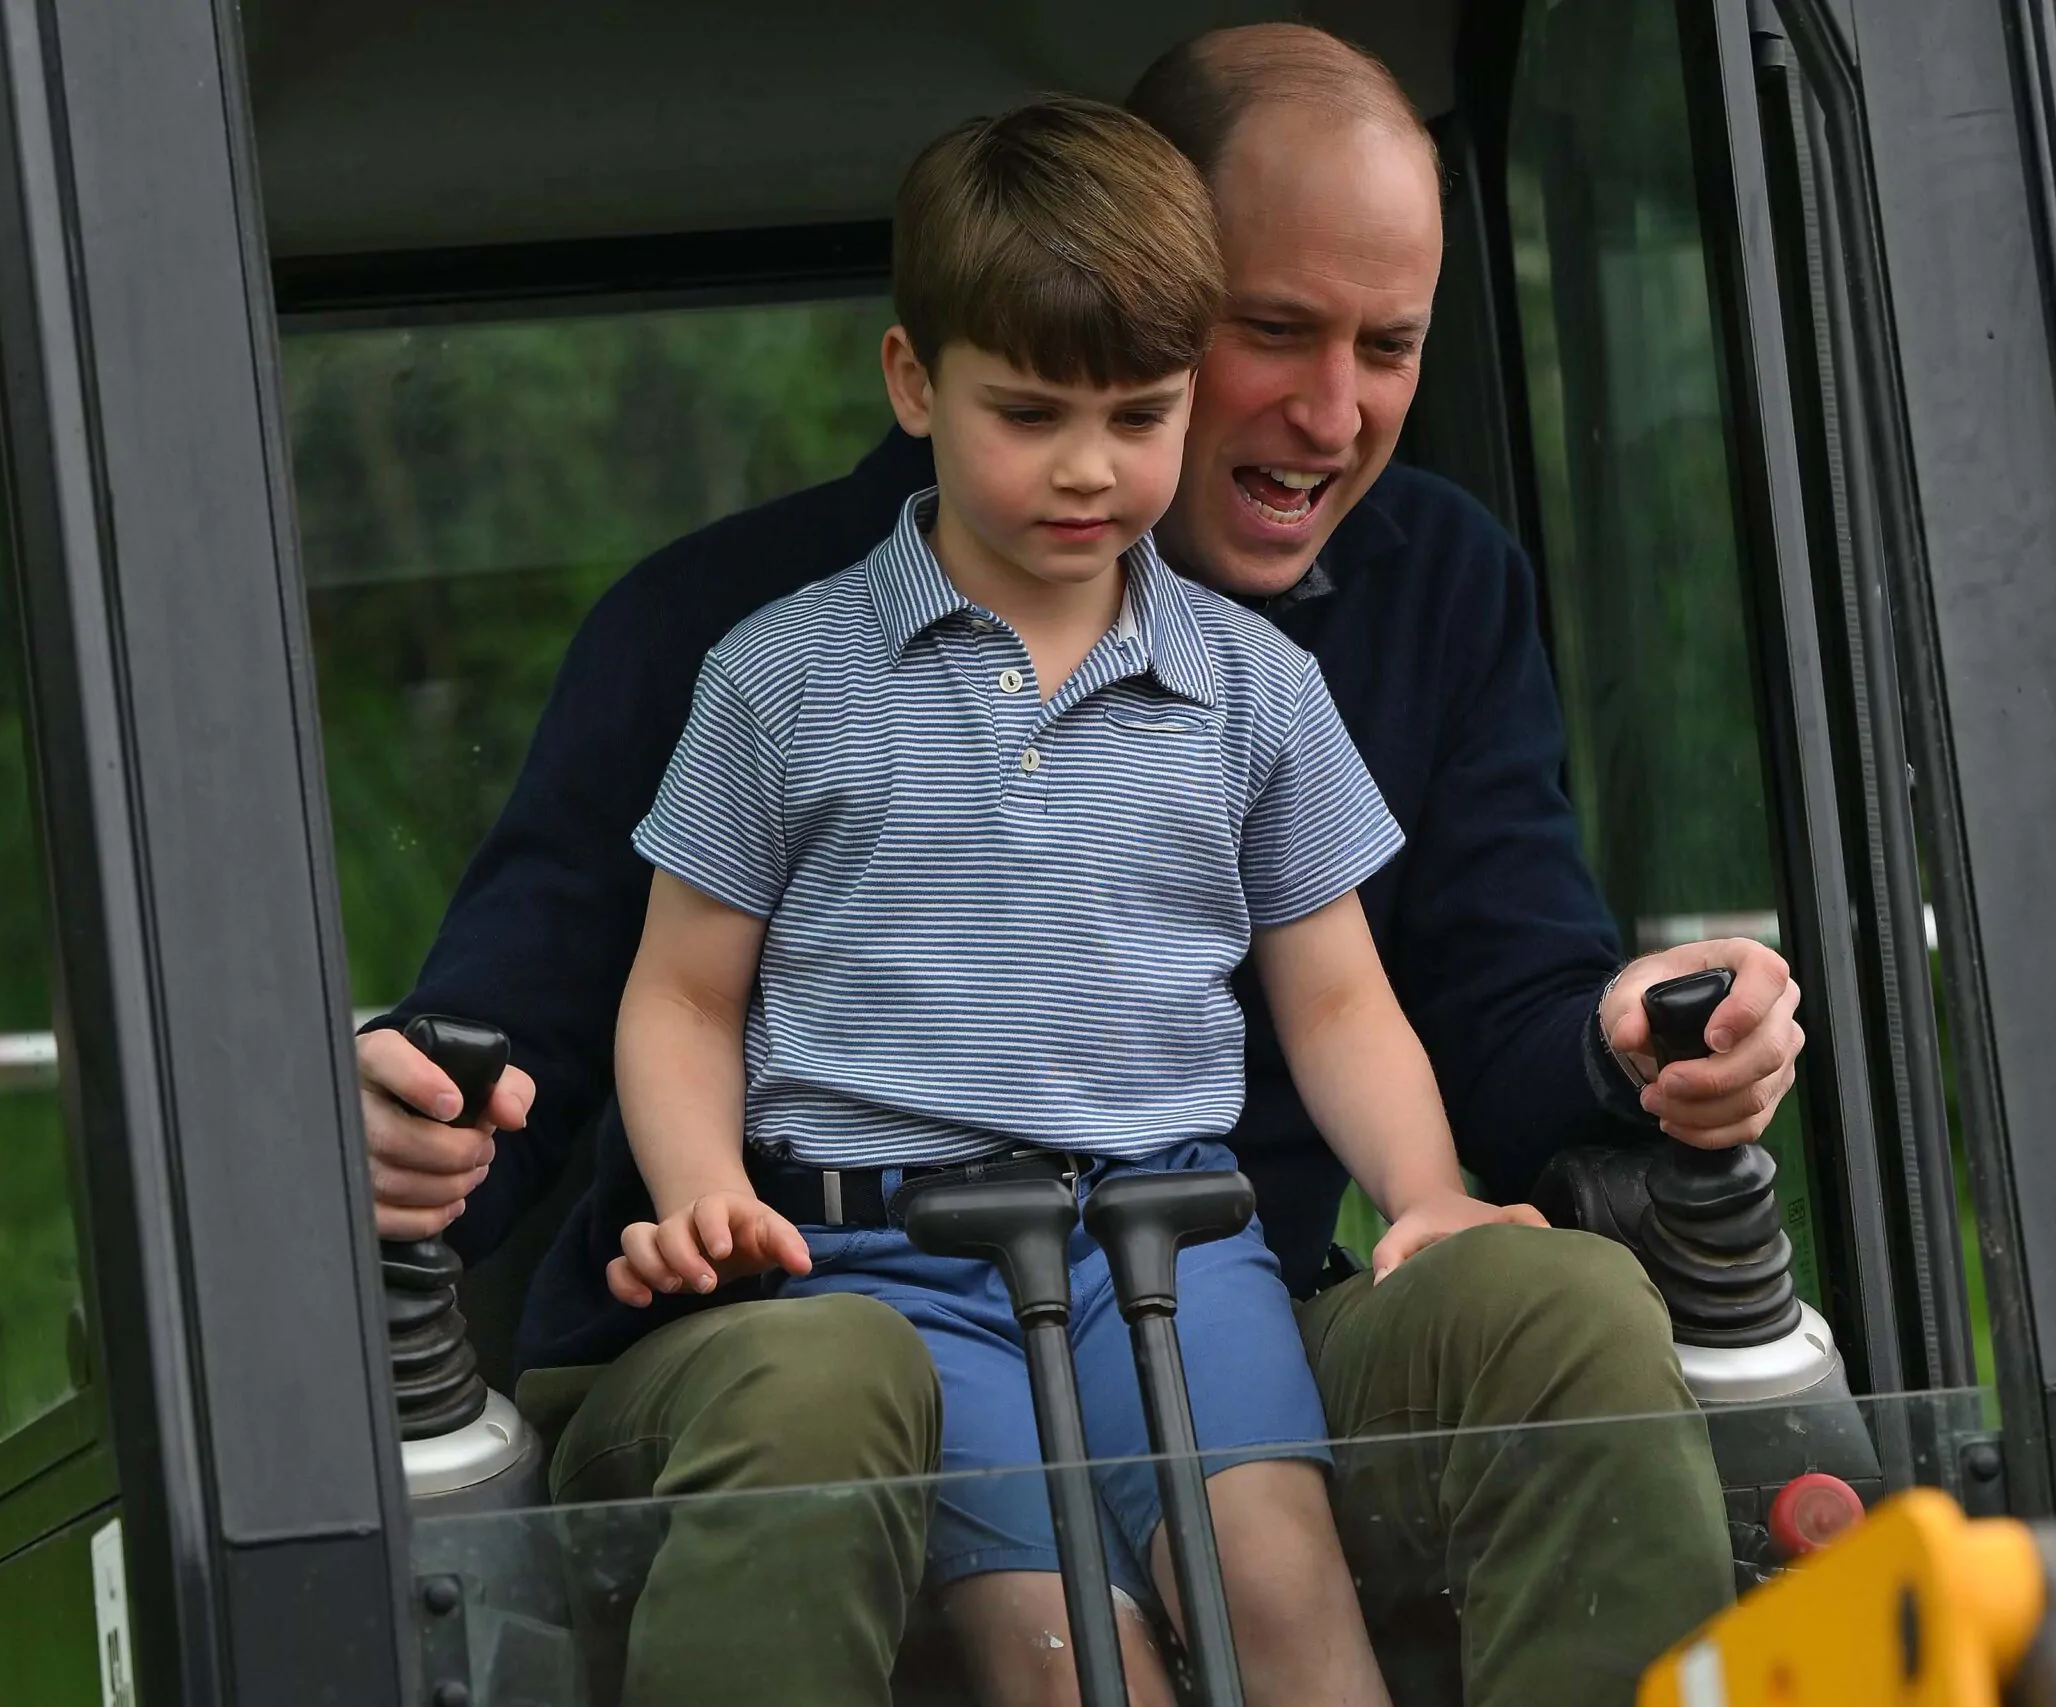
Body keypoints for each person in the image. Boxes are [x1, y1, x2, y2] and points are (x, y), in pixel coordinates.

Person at [361, 23, 1806, 1707]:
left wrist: (1618, 1038)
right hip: (831, 1302)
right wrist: (428, 1119)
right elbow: (552, 1017)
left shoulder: (1409, 605)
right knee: (869, 1435)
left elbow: (1455, 996)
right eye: (1276, 330)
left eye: (1391, 346)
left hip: (1209, 1280)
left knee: (1560, 1314)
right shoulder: (746, 647)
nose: (1334, 412)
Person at [608, 95, 1529, 1706]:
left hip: (1177, 1238)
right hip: (890, 1261)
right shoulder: (776, 676)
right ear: (915, 382)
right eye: (1031, 414)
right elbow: (684, 993)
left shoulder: (1254, 684)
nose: (1091, 471)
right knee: (1059, 1659)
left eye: (1143, 414)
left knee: (1286, 1605)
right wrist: (702, 1193)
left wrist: (1430, 1189)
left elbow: (1336, 997)